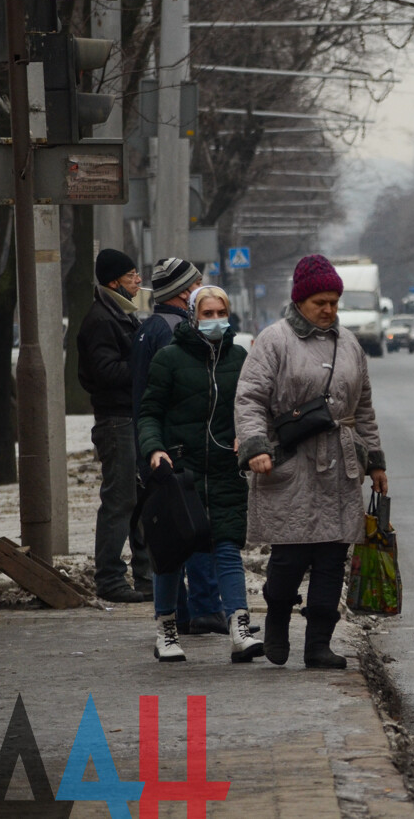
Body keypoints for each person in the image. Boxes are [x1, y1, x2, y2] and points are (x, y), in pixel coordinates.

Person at [234, 254, 388, 670]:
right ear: (300, 301)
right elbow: (249, 399)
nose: (329, 310)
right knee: (289, 556)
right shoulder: (274, 340)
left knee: (332, 558)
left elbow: (365, 409)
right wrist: (256, 447)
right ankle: (278, 626)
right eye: (321, 301)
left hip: (340, 468)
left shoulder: (350, 344)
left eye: (334, 302)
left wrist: (375, 461)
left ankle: (319, 643)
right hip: (290, 463)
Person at [137, 285, 261, 664]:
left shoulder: (240, 358)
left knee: (227, 548)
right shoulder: (169, 359)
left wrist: (247, 437)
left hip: (225, 471)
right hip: (181, 473)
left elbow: (252, 408)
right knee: (172, 554)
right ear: (193, 316)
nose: (215, 320)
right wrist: (154, 449)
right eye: (207, 313)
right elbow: (149, 412)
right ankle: (167, 630)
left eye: (220, 312)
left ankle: (239, 627)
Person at [131, 256, 225, 633]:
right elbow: (183, 393)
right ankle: (204, 608)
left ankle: (181, 612)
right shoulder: (175, 332)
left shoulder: (146, 328)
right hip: (178, 448)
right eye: (197, 285)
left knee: (169, 533)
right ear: (184, 291)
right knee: (197, 528)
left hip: (153, 446)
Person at [77, 248, 152, 603]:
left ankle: (146, 578)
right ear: (113, 282)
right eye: (132, 275)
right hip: (116, 421)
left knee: (138, 500)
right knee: (121, 500)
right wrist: (143, 364)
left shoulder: (120, 314)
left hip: (128, 418)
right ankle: (110, 578)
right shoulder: (102, 319)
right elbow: (105, 373)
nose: (138, 280)